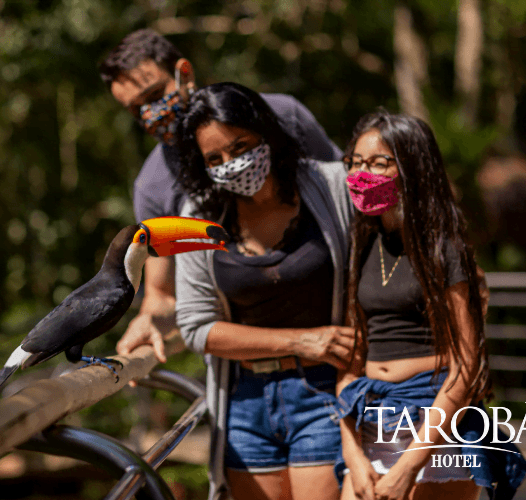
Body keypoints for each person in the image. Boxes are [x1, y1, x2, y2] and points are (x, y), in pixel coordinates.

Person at [98, 29, 344, 363]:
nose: (149, 114)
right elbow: (163, 293)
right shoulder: (153, 187)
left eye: (155, 94)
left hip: (337, 354)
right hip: (246, 370)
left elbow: (345, 199)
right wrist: (148, 319)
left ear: (183, 73)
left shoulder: (283, 116)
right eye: (135, 109)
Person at [173, 82, 355, 500]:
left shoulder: (330, 187)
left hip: (325, 390)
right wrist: (302, 340)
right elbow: (198, 328)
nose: (232, 165)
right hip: (243, 402)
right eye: (214, 159)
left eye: (240, 147)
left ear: (265, 134)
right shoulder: (198, 217)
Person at [335, 110, 526, 500]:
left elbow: (465, 366)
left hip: (432, 424)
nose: (361, 173)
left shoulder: (444, 248)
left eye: (377, 163)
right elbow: (350, 361)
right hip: (370, 420)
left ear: (411, 168)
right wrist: (352, 453)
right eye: (355, 162)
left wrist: (410, 464)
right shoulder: (363, 244)